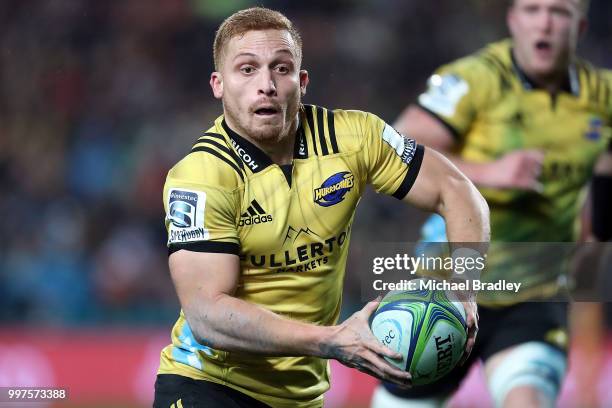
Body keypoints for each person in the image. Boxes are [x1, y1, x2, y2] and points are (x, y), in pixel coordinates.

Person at [153, 7, 489, 408]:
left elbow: (457, 190)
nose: (266, 85)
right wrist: (331, 341)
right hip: (209, 385)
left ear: (302, 81)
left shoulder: (355, 137)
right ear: (218, 85)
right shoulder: (202, 176)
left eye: (281, 68)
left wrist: (464, 288)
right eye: (247, 69)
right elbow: (207, 314)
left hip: (303, 397)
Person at [373, 0, 612, 407]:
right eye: (533, 9)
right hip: (444, 291)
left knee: (528, 400)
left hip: (534, 296)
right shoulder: (475, 80)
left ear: (581, 25)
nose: (545, 23)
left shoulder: (603, 96)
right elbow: (395, 147)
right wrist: (488, 172)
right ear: (513, 19)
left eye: (559, 12)